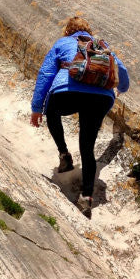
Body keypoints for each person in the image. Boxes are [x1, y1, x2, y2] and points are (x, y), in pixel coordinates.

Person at [30, 15, 129, 218]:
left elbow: (46, 74)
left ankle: (64, 155)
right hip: (100, 97)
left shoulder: (63, 43)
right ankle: (86, 198)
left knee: (52, 111)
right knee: (87, 146)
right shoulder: (100, 44)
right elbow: (122, 69)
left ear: (68, 30)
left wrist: (37, 107)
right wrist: (122, 88)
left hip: (67, 92)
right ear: (88, 32)